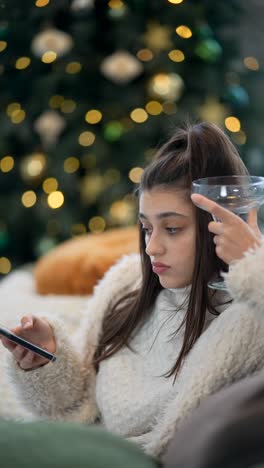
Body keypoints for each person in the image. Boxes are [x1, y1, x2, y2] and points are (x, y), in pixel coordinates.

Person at [1, 121, 264, 461]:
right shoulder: (126, 284)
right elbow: (76, 406)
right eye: (145, 227)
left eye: (172, 228)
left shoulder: (250, 314)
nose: (151, 247)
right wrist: (45, 360)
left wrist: (253, 266)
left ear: (222, 222)